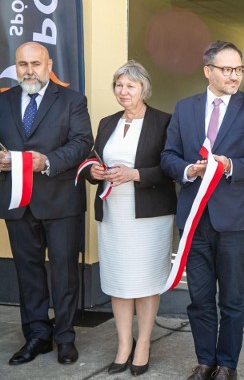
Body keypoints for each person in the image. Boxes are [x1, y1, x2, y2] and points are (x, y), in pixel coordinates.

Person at [161, 41, 244, 380]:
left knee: (232, 298)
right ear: (208, 70)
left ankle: (228, 365)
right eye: (227, 69)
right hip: (193, 216)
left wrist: (229, 166)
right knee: (199, 297)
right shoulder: (184, 108)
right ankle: (205, 360)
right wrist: (187, 170)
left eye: (239, 69)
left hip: (235, 218)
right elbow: (168, 156)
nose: (234, 75)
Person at [0, 42, 93, 365]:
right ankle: (37, 336)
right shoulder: (4, 101)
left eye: (35, 64)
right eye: (22, 64)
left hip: (61, 202)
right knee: (28, 273)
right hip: (17, 202)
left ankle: (65, 337)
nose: (29, 70)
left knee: (64, 274)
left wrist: (47, 161)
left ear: (49, 64)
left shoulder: (72, 100)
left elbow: (82, 143)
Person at [83, 60, 176, 376]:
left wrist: (136, 174)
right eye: (119, 85)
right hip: (113, 215)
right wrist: (94, 172)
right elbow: (95, 161)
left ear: (143, 89)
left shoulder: (164, 122)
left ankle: (144, 344)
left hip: (150, 216)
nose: (123, 92)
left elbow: (173, 168)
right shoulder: (107, 122)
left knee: (147, 282)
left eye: (130, 86)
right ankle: (123, 344)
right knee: (119, 282)